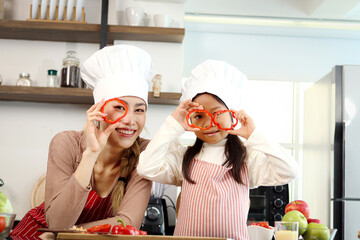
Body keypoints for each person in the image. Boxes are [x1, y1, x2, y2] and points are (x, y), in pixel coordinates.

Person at [137, 60, 298, 240]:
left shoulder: (247, 158)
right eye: (199, 116)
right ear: (190, 120)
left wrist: (254, 135)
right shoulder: (183, 157)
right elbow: (146, 167)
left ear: (232, 115)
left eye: (218, 113)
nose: (208, 123)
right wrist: (173, 124)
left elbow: (289, 171)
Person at [10, 45, 154, 237]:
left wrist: (64, 233)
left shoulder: (144, 153)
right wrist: (91, 154)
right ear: (98, 109)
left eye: (139, 109)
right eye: (120, 107)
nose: (130, 120)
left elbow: (128, 222)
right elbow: (57, 221)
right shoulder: (66, 143)